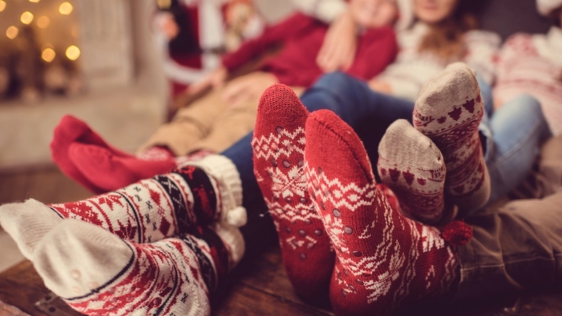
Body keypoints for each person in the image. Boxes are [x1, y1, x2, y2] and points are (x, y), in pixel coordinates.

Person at [0, 72, 562, 316]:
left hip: (421, 117)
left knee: (528, 103)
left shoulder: (490, 48)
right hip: (362, 139)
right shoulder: (388, 30)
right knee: (318, 135)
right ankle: (179, 277)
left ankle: (163, 206)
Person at [52, 0, 400, 193]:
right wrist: (223, 69)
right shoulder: (312, 21)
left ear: (400, 12)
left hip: (289, 95)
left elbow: (349, 82)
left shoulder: (382, 39)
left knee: (238, 122)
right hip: (256, 78)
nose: (374, 4)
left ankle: (188, 168)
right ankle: (150, 156)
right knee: (202, 111)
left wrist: (291, 88)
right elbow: (260, 41)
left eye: (387, 2)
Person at [492, 0, 562, 137]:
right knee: (475, 82)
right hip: (494, 117)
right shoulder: (519, 43)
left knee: (525, 105)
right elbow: (492, 84)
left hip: (541, 131)